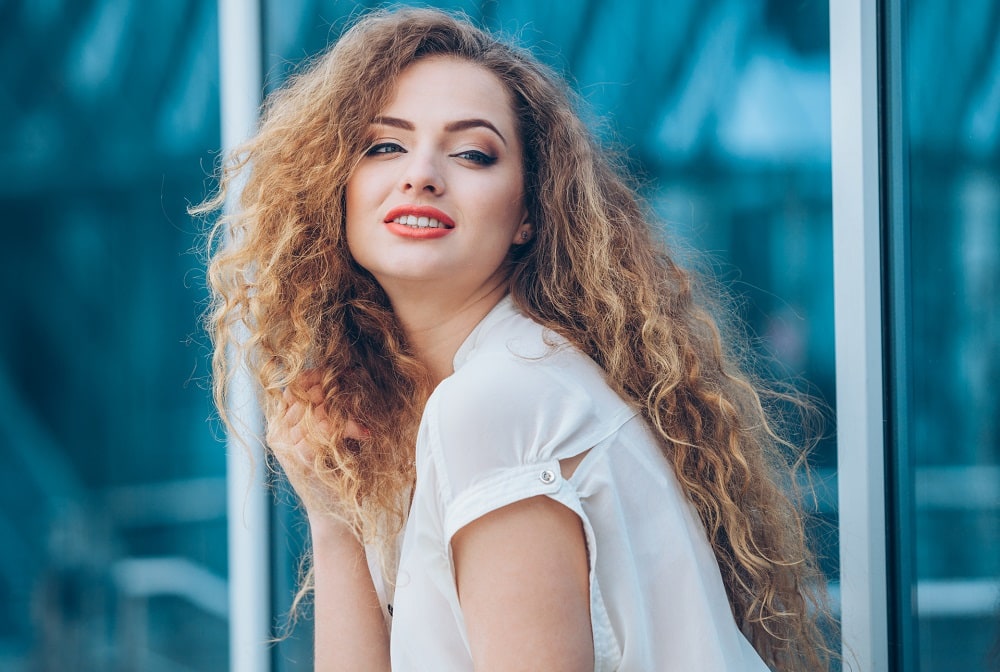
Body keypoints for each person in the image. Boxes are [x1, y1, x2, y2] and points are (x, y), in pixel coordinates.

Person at [201, 7, 834, 671]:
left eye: (473, 153)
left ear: (528, 213)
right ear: (338, 186)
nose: (421, 173)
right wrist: (334, 526)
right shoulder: (498, 386)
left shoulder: (498, 402)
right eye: (384, 145)